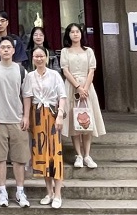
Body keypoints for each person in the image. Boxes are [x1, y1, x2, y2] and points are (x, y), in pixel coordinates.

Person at [0, 37, 30, 208]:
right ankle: (2, 191)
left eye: (8, 47)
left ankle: (20, 191)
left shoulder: (21, 71)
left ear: (13, 50)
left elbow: (27, 95)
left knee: (19, 159)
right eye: (2, 47)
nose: (5, 50)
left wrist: (26, 116)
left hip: (17, 120)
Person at [23, 46, 67, 210]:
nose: (39, 59)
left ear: (46, 58)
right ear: (33, 58)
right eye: (36, 56)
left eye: (42, 56)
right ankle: (49, 192)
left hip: (53, 115)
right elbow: (27, 97)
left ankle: (58, 193)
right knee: (42, 154)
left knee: (55, 153)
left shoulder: (54, 75)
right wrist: (26, 117)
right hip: (37, 116)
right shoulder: (29, 76)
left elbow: (62, 96)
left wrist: (60, 115)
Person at [60, 23, 106, 169]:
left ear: (81, 34)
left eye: (77, 31)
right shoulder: (65, 51)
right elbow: (65, 71)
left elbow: (91, 70)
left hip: (87, 87)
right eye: (72, 32)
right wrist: (78, 87)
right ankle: (78, 154)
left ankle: (87, 155)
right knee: (75, 119)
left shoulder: (89, 51)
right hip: (72, 87)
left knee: (87, 119)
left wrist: (85, 88)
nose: (75, 34)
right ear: (68, 35)